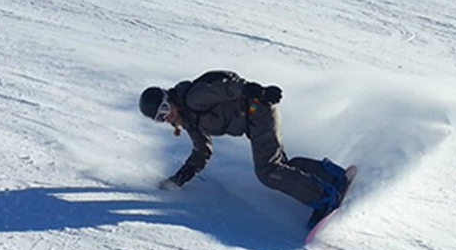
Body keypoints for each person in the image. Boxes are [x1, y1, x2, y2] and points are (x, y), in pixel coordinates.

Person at [139, 71, 350, 228]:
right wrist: (180, 178)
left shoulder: (194, 98)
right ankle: (332, 176)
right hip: (254, 119)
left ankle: (324, 198)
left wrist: (257, 90)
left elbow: (225, 88)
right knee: (279, 165)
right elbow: (202, 151)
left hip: (257, 109)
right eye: (159, 118)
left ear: (169, 98)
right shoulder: (189, 120)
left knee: (268, 171)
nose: (166, 117)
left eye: (164, 109)